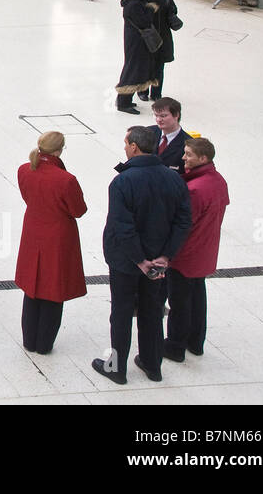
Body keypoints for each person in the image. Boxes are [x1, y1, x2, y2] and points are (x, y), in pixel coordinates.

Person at [92, 126, 192, 384]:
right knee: (152, 310)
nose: (124, 147)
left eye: (126, 143)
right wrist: (166, 256)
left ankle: (116, 367)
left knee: (122, 313)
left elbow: (122, 227)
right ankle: (152, 364)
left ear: (134, 146)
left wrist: (139, 260)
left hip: (126, 262)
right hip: (159, 260)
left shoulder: (123, 181)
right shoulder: (173, 179)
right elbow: (183, 222)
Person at [14, 131, 87, 354]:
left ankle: (29, 340)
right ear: (59, 150)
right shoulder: (66, 180)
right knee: (54, 289)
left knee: (32, 287)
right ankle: (44, 344)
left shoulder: (25, 170)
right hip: (58, 236)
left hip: (33, 231)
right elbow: (79, 210)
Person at [164, 137, 230, 363]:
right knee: (197, 298)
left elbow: (183, 223)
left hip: (187, 254)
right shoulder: (218, 181)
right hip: (205, 250)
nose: (183, 158)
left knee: (179, 301)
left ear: (203, 158)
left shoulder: (194, 189)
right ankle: (196, 342)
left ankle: (175, 346)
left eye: (188, 154)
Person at [115, 0, 158, 114]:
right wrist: (151, 9)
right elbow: (145, 21)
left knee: (133, 67)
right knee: (132, 69)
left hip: (134, 39)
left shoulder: (133, 1)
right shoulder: (133, 5)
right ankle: (123, 102)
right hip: (136, 41)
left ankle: (125, 99)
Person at [141, 0, 179, 100]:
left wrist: (170, 11)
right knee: (145, 65)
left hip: (163, 35)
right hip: (148, 35)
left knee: (159, 66)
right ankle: (143, 91)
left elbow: (174, 9)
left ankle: (156, 93)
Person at [147, 97, 187, 176]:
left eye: (163, 116)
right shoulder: (147, 133)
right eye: (156, 115)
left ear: (176, 115)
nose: (158, 119)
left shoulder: (188, 144)